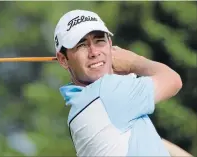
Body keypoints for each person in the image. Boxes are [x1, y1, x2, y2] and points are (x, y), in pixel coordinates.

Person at [53, 9, 192, 156]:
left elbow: (157, 143)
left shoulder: (79, 108)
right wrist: (133, 61)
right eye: (81, 45)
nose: (94, 52)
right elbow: (173, 80)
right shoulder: (107, 93)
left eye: (99, 41)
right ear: (63, 59)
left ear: (110, 44)